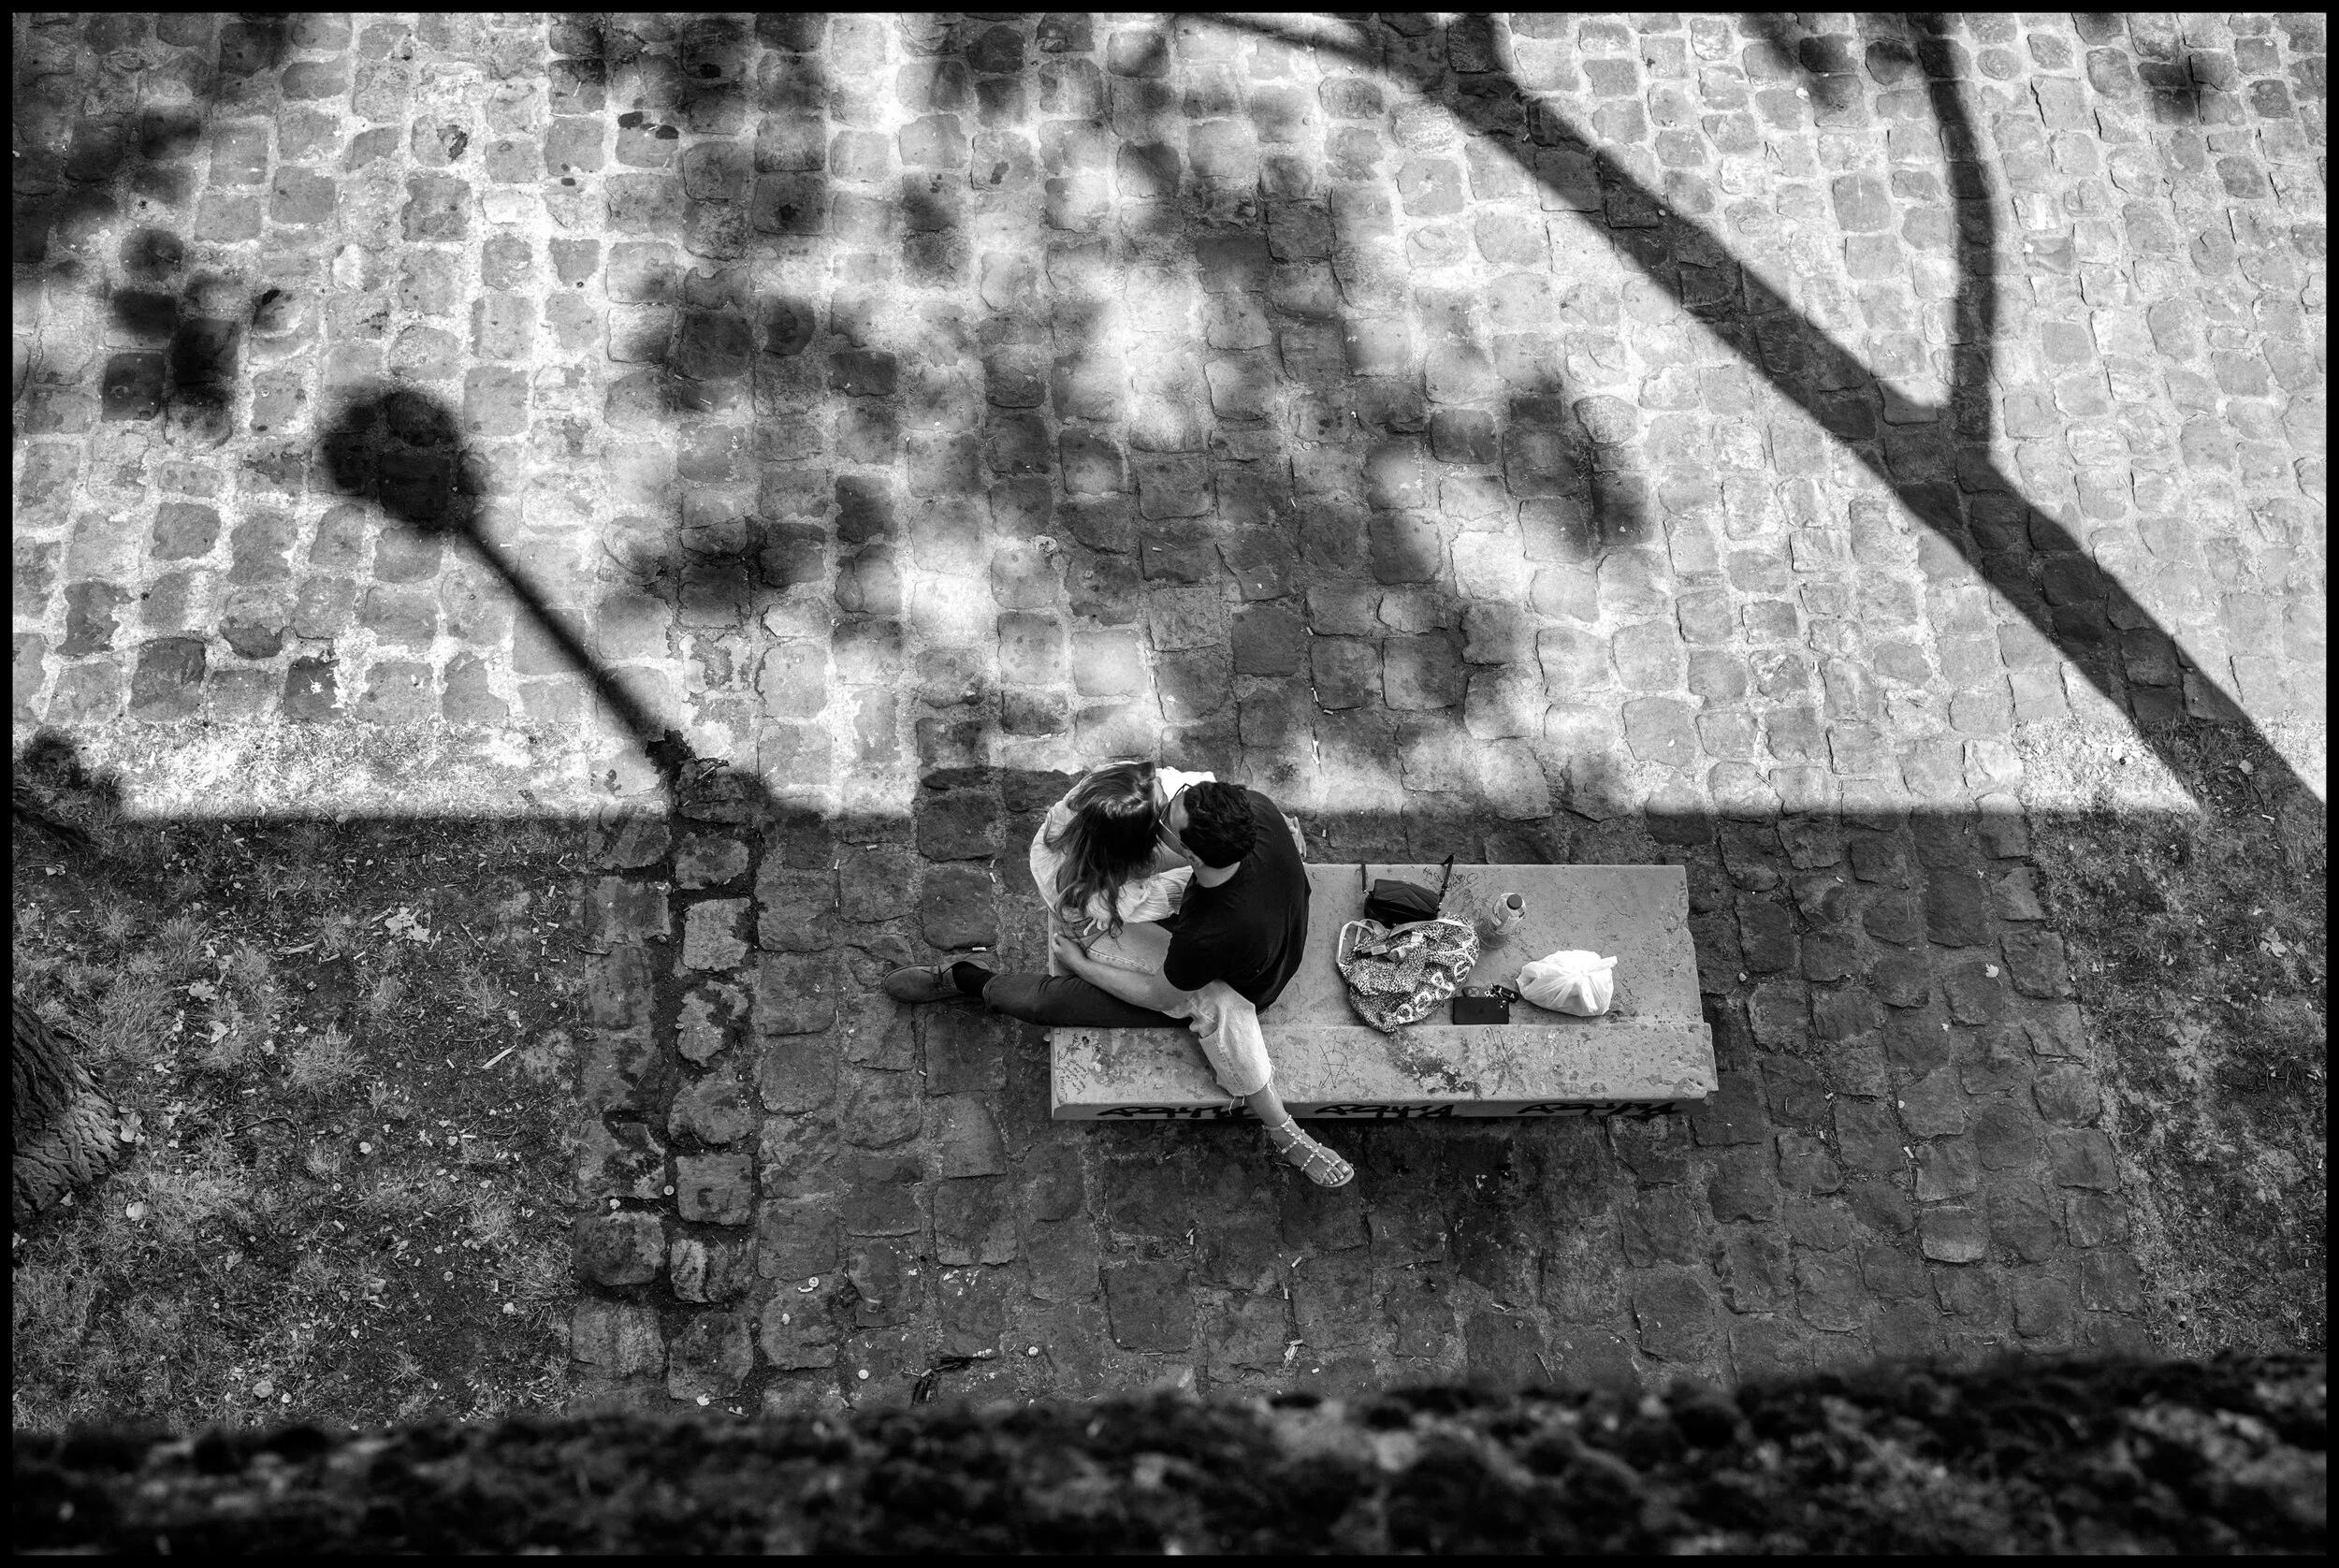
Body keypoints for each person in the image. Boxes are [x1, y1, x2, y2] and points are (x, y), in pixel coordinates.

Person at [882, 762, 1352, 1187]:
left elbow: (1157, 993)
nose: (1168, 805)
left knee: (1061, 1002)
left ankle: (965, 980)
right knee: (1115, 929)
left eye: (1168, 819)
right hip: (1268, 931)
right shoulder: (1254, 810)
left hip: (1235, 982)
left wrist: (1085, 965)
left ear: (1189, 854)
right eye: (1182, 795)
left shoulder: (1207, 936)